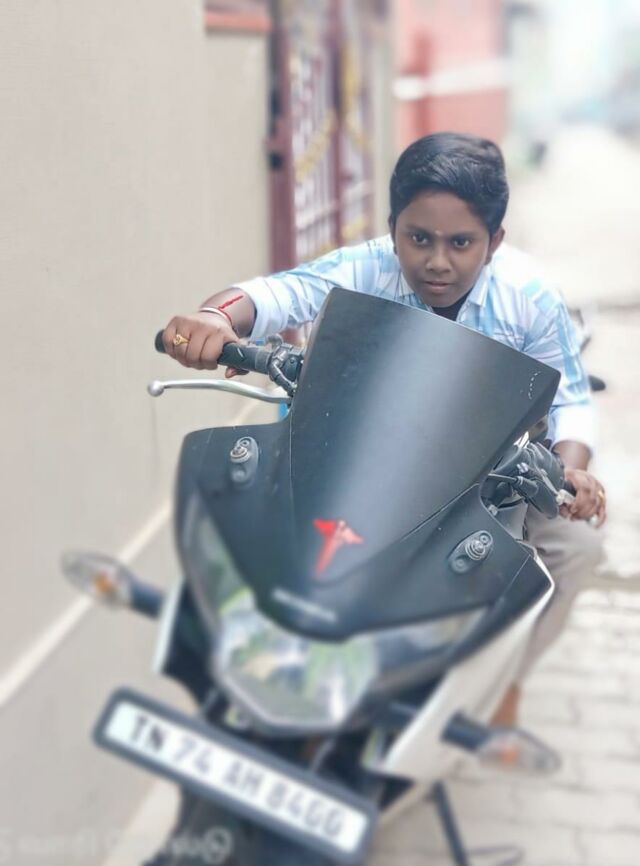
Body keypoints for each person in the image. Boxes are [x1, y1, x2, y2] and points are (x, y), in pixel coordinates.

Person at [162, 131, 606, 723]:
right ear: (393, 228)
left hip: (485, 480)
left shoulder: (530, 297)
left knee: (577, 550)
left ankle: (504, 679)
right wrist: (215, 317)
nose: (438, 260)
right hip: (359, 463)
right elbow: (279, 293)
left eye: (461, 242)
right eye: (418, 238)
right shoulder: (365, 267)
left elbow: (571, 398)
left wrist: (571, 471)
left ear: (494, 241)